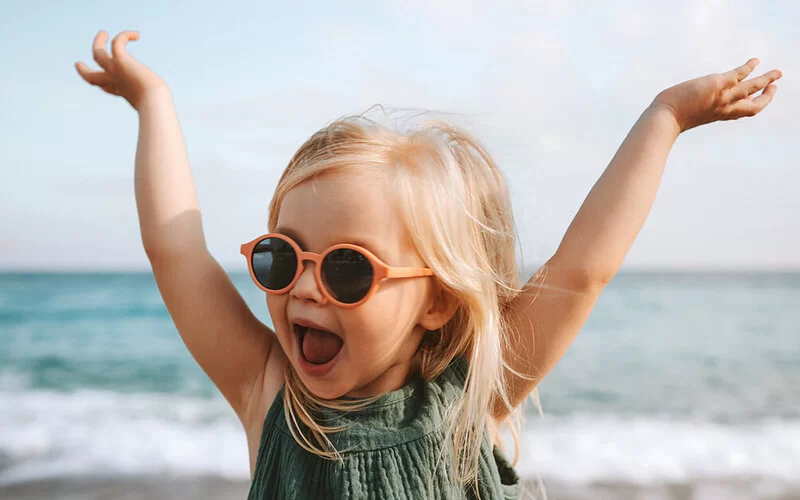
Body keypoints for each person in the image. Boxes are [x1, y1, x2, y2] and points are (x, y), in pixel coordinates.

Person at [75, 30, 782, 499]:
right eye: (281, 257)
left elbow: (581, 269)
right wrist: (153, 101)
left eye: (350, 269)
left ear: (438, 300)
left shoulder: (467, 402)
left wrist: (664, 118)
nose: (306, 289)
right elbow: (175, 250)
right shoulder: (271, 398)